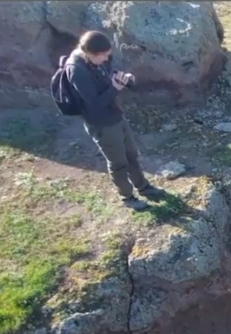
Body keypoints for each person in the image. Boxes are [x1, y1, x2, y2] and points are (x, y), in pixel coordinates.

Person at [65, 31, 165, 211]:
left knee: (132, 155)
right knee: (118, 163)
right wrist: (115, 88)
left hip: (116, 116)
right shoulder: (76, 70)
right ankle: (127, 197)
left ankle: (143, 187)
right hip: (102, 124)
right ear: (90, 53)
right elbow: (94, 104)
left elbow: (108, 74)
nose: (106, 59)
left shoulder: (95, 61)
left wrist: (124, 80)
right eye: (103, 56)